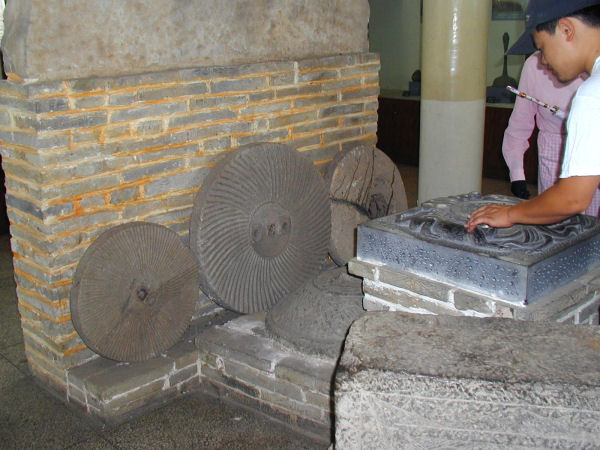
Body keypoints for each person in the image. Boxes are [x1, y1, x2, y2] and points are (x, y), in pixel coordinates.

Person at [466, 0, 600, 232]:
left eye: (543, 48)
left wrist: (510, 213)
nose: (543, 60)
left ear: (566, 30)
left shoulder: (592, 94)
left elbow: (573, 199)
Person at [503, 52, 599, 215]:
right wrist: (517, 173)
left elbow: (577, 200)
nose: (544, 59)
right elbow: (519, 125)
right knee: (558, 226)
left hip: (593, 152)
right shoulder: (535, 64)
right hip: (553, 154)